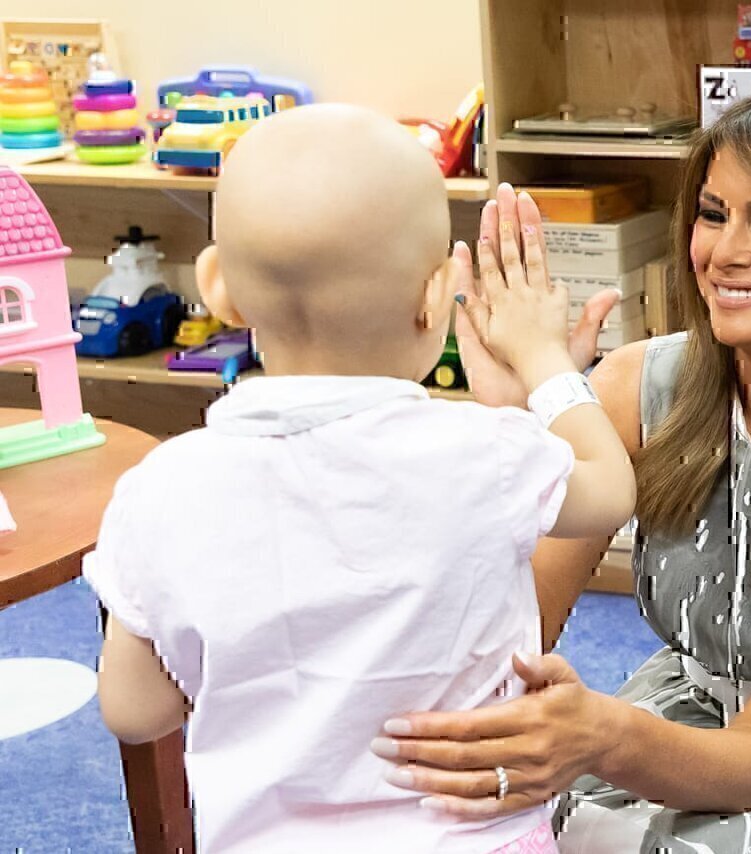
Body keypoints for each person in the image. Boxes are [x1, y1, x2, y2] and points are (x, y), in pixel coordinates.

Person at [373, 85, 751, 853]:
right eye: (711, 213)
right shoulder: (635, 385)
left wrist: (596, 736)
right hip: (681, 716)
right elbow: (511, 633)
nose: (724, 252)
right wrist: (510, 436)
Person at [84, 103, 634, 853]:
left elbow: (134, 709)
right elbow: (610, 487)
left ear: (217, 288)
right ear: (437, 296)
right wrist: (543, 360)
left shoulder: (159, 490)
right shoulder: (485, 452)